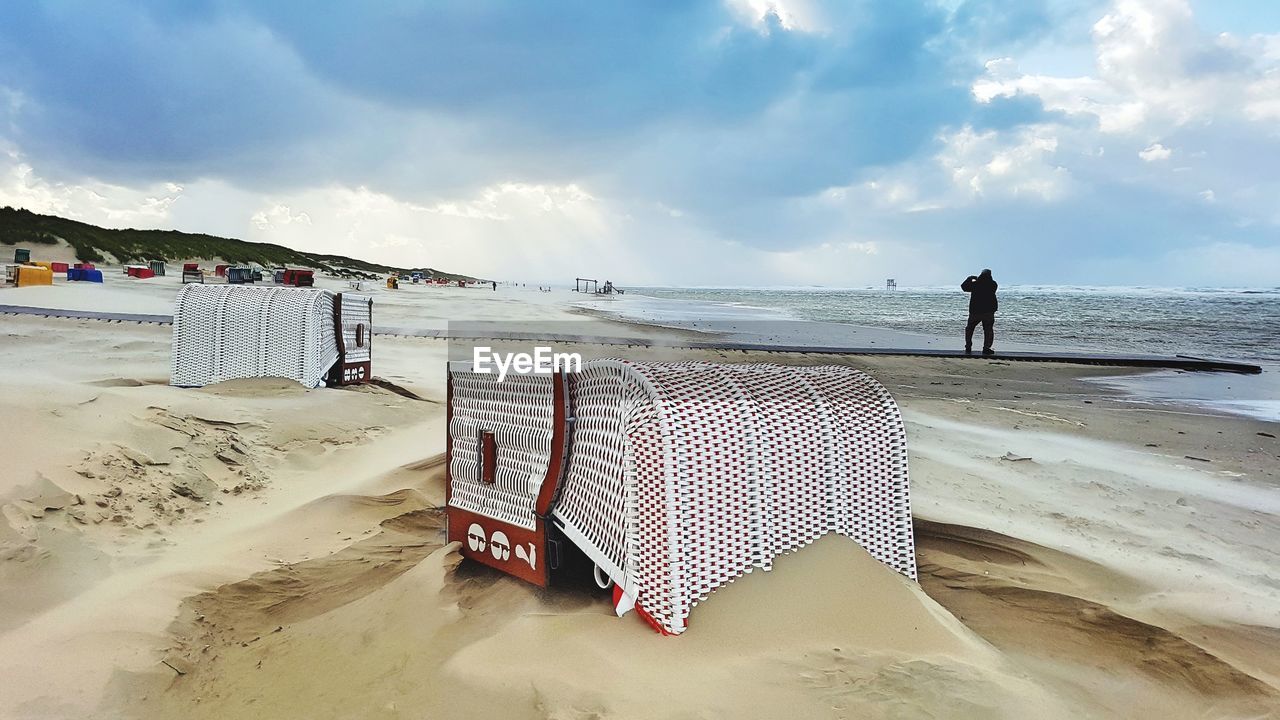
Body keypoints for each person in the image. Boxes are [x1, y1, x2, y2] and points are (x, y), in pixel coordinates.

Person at [961, 269, 998, 355]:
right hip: (988, 311)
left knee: (970, 329)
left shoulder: (975, 284)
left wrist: (969, 278)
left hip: (975, 311)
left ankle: (968, 346)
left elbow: (964, 287)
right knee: (988, 330)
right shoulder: (993, 284)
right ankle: (986, 347)